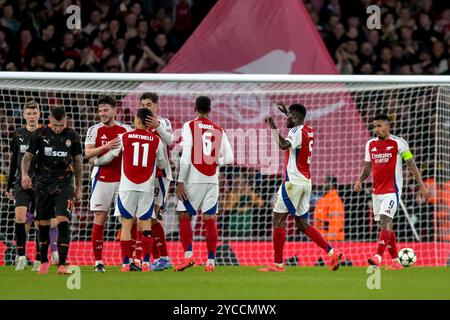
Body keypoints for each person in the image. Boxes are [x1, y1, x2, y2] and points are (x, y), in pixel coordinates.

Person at [259, 103, 342, 272]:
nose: (286, 119)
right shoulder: (308, 130)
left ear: (295, 117)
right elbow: (296, 126)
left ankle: (278, 265)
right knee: (302, 223)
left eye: (289, 116)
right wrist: (286, 113)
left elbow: (283, 145)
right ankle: (332, 252)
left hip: (293, 183)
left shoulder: (295, 132)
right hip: (305, 183)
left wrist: (273, 125)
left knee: (278, 219)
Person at [354, 113, 430, 269]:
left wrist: (421, 185)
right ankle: (396, 262)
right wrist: (360, 180)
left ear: (388, 126)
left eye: (379, 126)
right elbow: (367, 167)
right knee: (386, 226)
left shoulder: (399, 143)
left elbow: (411, 164)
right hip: (377, 192)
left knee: (385, 220)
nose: (376, 129)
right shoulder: (370, 145)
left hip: (392, 190)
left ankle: (377, 257)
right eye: (374, 126)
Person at [175, 96, 234, 272]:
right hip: (212, 180)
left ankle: (188, 257)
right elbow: (229, 158)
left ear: (195, 109)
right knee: (210, 219)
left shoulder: (190, 126)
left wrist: (180, 181)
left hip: (194, 178)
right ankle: (210, 262)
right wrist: (214, 162)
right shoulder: (219, 129)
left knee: (184, 215)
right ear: (210, 110)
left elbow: (186, 156)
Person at [21, 106, 83, 275]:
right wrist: (25, 175)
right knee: (43, 225)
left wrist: (78, 187)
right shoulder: (39, 134)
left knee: (63, 221)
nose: (58, 128)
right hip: (42, 186)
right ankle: (43, 262)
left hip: (64, 185)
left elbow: (78, 162)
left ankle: (62, 265)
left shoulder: (72, 136)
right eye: (55, 125)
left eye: (61, 125)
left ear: (66, 121)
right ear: (49, 120)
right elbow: (27, 156)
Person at [105, 108, 165, 272]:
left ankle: (125, 263)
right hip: (146, 188)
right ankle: (145, 263)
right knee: (146, 225)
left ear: (137, 121)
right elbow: (161, 164)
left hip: (127, 187)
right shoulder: (156, 140)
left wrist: (95, 160)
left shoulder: (124, 137)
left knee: (126, 225)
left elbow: (110, 156)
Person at [84, 95, 131, 273]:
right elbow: (88, 154)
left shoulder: (126, 129)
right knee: (99, 219)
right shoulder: (94, 130)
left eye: (105, 110)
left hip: (123, 181)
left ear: (114, 110)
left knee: (127, 221)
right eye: (100, 110)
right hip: (101, 180)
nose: (102, 113)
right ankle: (98, 262)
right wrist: (106, 147)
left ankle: (128, 261)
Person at [140, 92, 173, 271]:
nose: (145, 107)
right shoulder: (137, 123)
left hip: (159, 176)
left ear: (156, 106)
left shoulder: (163, 122)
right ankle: (156, 258)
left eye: (149, 104)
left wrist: (158, 126)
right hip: (141, 177)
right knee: (144, 217)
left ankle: (163, 257)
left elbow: (170, 140)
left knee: (153, 215)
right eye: (143, 104)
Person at [313, 176, 345, 241]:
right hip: (322, 239)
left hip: (333, 241)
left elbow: (336, 221)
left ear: (332, 185)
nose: (324, 184)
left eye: (326, 182)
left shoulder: (335, 200)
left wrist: (331, 240)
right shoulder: (323, 199)